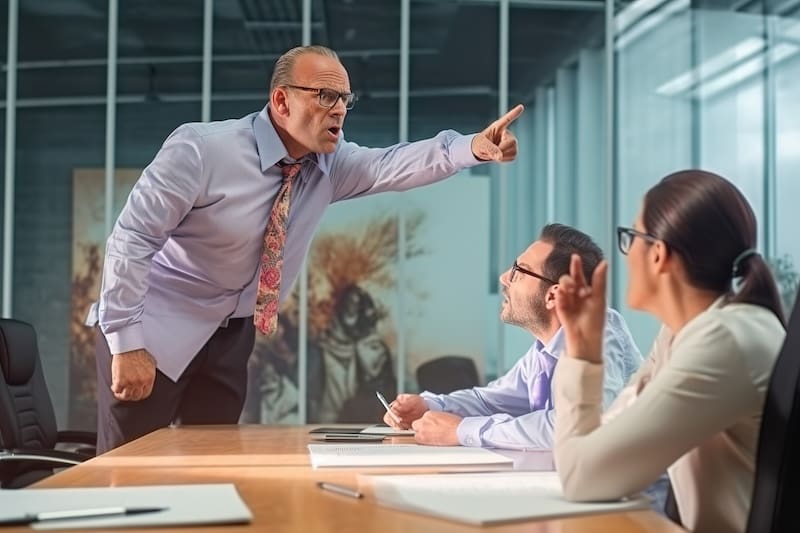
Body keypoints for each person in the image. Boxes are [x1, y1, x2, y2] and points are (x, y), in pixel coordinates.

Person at [87, 44, 524, 453]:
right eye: (326, 96)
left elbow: (393, 164)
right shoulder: (200, 150)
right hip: (154, 329)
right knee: (129, 469)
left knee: (213, 465)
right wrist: (126, 342)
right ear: (282, 101)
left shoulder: (329, 167)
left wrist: (472, 148)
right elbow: (132, 239)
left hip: (229, 337)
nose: (339, 111)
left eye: (345, 100)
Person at [551, 170, 786, 533]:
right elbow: (604, 441)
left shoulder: (723, 341)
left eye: (630, 237)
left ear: (658, 254)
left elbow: (583, 477)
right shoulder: (682, 334)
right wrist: (583, 347)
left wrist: (583, 356)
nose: (625, 257)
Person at [383, 224, 643, 450]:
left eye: (520, 271)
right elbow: (490, 401)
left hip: (630, 502)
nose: (504, 278)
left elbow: (571, 425)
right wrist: (431, 405)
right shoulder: (544, 350)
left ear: (553, 295)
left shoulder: (598, 332)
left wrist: (463, 431)